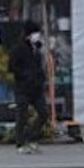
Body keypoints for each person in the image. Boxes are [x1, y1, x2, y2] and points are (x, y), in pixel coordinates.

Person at [9, 21, 50, 154]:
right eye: (35, 34)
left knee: (43, 113)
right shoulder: (18, 49)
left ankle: (31, 137)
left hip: (37, 88)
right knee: (22, 115)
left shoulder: (37, 49)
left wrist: (42, 80)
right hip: (23, 87)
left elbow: (40, 67)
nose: (38, 36)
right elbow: (12, 67)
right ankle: (20, 143)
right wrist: (26, 75)